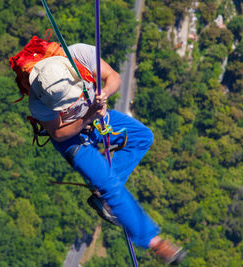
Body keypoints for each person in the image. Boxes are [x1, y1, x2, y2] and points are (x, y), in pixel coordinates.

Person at [27, 43, 186, 264]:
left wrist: (104, 94)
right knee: (110, 185)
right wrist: (89, 117)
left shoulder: (80, 54)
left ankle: (104, 191)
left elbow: (114, 77)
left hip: (95, 116)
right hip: (73, 138)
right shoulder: (38, 99)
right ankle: (154, 242)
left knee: (142, 137)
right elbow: (59, 134)